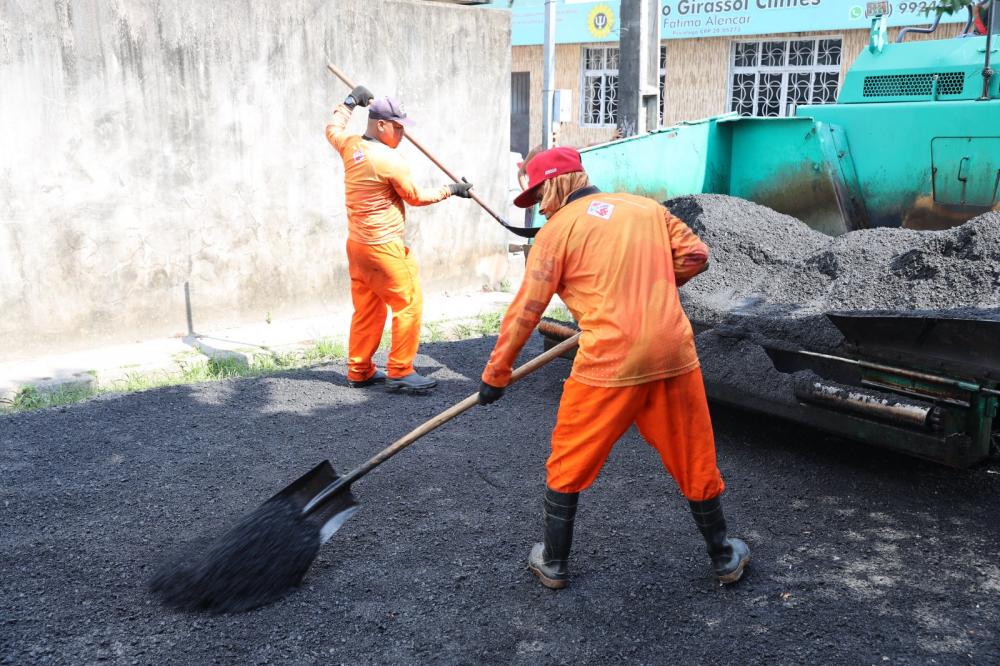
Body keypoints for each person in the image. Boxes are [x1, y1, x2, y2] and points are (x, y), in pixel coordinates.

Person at [478, 146, 750, 589]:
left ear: (555, 183)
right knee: (692, 453)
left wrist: (495, 375)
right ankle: (723, 557)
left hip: (610, 359)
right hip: (672, 352)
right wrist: (650, 288)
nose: (541, 208)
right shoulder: (647, 209)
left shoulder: (556, 232)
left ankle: (553, 562)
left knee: (570, 455)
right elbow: (695, 255)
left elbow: (526, 310)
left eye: (539, 196)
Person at [326, 85, 473, 394]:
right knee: (409, 303)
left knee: (369, 308)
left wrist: (350, 102)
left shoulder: (350, 146)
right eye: (398, 127)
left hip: (357, 247)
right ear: (381, 124)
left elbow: (332, 128)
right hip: (384, 248)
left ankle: (360, 370)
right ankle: (401, 370)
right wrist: (452, 189)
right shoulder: (389, 160)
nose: (403, 134)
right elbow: (416, 197)